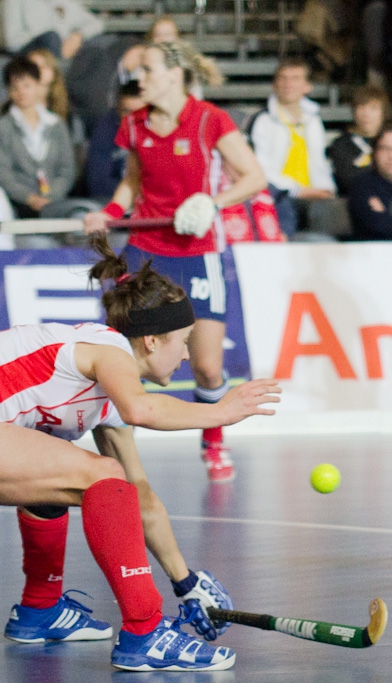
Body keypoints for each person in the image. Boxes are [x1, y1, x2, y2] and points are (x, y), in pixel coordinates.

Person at [0, 233, 280, 669]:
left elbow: (138, 497)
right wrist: (220, 412)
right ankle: (144, 633)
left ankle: (39, 609)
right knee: (97, 473)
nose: (187, 356)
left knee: (80, 477)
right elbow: (141, 408)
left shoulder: (109, 392)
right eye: (183, 340)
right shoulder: (109, 349)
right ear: (152, 341)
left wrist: (185, 581)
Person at [81, 40, 267, 483]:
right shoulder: (135, 123)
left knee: (206, 365)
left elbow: (256, 178)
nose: (138, 78)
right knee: (123, 358)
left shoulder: (210, 119)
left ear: (174, 74)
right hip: (146, 250)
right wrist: (108, 214)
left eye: (146, 69)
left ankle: (213, 440)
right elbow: (131, 182)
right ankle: (120, 456)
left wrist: (212, 202)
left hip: (198, 252)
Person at [249, 56, 337, 237]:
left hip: (313, 196)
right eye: (283, 78)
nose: (288, 84)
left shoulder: (314, 121)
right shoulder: (262, 120)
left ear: (307, 86)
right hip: (278, 196)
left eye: (295, 78)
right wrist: (297, 190)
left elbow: (320, 162)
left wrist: (326, 187)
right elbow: (259, 169)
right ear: (274, 84)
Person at [0, 56, 76, 219]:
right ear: (8, 91)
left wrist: (50, 197)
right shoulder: (3, 128)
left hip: (56, 205)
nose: (21, 92)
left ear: (37, 85)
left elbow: (67, 169)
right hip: (17, 208)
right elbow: (4, 173)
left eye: (26, 85)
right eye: (15, 87)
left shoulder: (56, 124)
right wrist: (29, 198)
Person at [85, 80, 147, 201]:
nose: (132, 118)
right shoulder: (105, 129)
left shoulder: (157, 129)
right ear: (117, 109)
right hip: (111, 202)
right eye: (126, 111)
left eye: (139, 112)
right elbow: (98, 183)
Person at [328, 85, 389, 196]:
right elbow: (346, 180)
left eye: (373, 108)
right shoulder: (341, 144)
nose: (366, 114)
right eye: (361, 107)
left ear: (383, 113)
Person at [1, 0, 103, 58]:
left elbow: (97, 23)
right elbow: (11, 41)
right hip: (28, 54)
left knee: (104, 42)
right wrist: (47, 39)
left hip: (63, 51)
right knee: (51, 37)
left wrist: (78, 35)